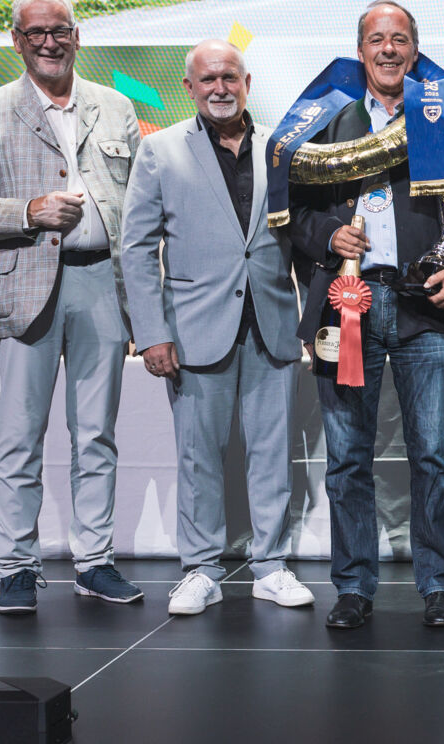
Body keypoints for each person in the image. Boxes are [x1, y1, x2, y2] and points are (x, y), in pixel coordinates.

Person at [0, 0, 143, 614]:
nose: (50, 42)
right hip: (25, 288)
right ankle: (18, 566)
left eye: (60, 30)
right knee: (19, 437)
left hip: (101, 285)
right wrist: (29, 211)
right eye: (37, 33)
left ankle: (95, 561)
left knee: (97, 436)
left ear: (77, 35)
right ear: (17, 41)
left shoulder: (114, 109)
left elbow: (140, 211)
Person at [288, 0, 444, 631]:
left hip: (420, 310)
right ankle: (353, 587)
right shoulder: (327, 123)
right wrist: (328, 238)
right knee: (347, 458)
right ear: (361, 50)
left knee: (432, 454)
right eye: (377, 39)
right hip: (346, 308)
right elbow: (296, 212)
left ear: (415, 49)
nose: (389, 50)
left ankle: (438, 585)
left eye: (400, 39)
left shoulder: (438, 121)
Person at [119, 40, 312, 617]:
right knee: (198, 456)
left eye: (229, 77)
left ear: (247, 80)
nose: (220, 88)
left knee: (271, 454)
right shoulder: (158, 152)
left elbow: (300, 234)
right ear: (190, 88)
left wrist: (313, 322)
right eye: (208, 80)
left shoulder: (283, 149)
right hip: (193, 332)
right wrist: (151, 332)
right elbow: (135, 249)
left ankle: (271, 565)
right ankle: (200, 568)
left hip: (271, 325)